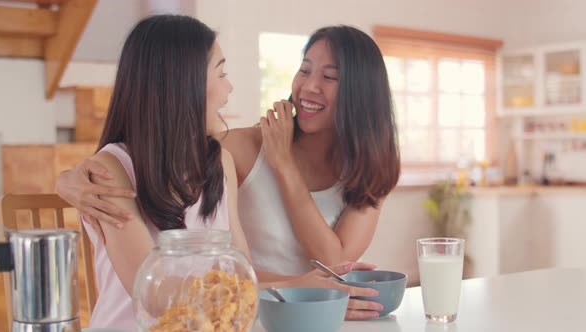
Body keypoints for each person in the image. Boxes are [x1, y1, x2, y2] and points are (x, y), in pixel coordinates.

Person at [57, 23, 398, 322]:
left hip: (250, 315)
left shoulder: (216, 162)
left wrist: (303, 287)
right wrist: (65, 179)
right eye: (221, 73)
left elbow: (243, 273)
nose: (308, 86)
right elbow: (155, 293)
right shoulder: (219, 154)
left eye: (330, 76)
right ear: (181, 84)